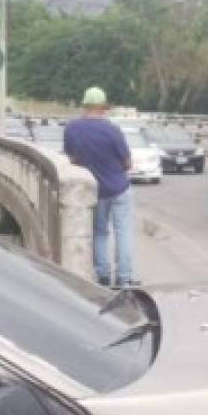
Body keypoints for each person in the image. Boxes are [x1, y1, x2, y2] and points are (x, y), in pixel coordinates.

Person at [63, 86, 135, 288]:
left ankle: (103, 275)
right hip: (119, 188)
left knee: (100, 232)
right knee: (123, 231)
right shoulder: (112, 130)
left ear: (84, 105)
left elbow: (72, 159)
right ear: (103, 107)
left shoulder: (72, 129)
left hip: (94, 191)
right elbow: (128, 163)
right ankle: (124, 277)